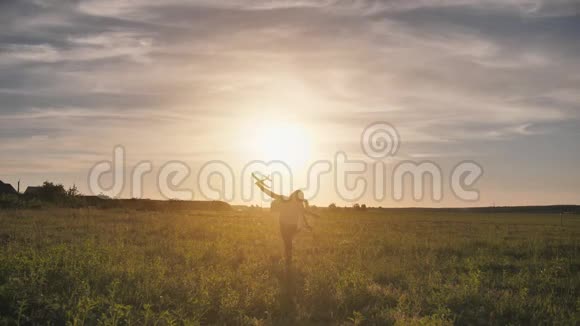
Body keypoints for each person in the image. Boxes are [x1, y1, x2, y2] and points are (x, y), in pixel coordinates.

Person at [254, 178, 317, 268]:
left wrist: (307, 225)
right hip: (283, 225)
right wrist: (260, 186)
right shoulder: (284, 199)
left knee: (288, 242)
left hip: (293, 226)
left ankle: (288, 261)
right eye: (299, 199)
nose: (299, 202)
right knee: (287, 242)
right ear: (294, 196)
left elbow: (303, 214)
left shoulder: (299, 203)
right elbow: (271, 194)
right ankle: (288, 260)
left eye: (300, 200)